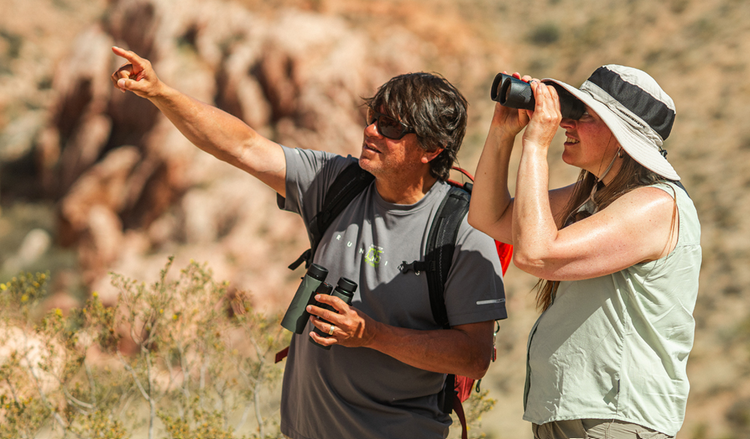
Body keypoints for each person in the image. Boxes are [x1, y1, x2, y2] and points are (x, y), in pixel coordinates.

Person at [110, 46, 507, 439]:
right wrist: (161, 92)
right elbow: (241, 146)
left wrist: (371, 335)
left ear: (431, 149)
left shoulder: (463, 230)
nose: (370, 130)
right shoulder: (338, 183)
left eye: (390, 126)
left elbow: (474, 357)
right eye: (373, 117)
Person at [468, 65, 701, 439]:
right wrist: (502, 132)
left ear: (622, 136)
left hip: (613, 420)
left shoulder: (656, 206)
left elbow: (537, 255)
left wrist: (535, 145)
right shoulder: (594, 199)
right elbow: (488, 216)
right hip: (576, 416)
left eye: (584, 115)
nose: (566, 123)